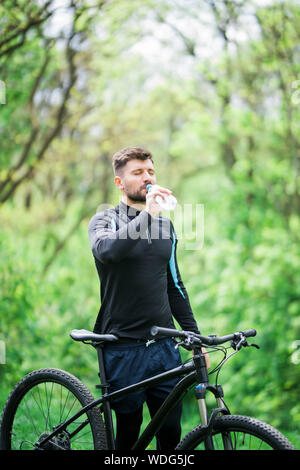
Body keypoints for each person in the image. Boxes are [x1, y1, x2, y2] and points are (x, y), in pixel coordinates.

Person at [88, 146, 207, 450]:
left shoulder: (166, 227)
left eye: (151, 171)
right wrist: (147, 215)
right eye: (138, 172)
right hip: (122, 345)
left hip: (164, 346)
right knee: (129, 431)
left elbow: (175, 286)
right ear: (119, 182)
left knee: (170, 430)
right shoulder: (104, 221)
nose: (147, 177)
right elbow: (109, 252)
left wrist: (194, 337)